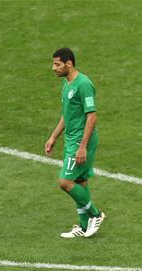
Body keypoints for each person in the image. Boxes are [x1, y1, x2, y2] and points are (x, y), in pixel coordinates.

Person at [45, 48, 106, 238]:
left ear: (68, 64)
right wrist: (54, 136)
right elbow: (67, 115)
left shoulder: (84, 84)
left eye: (57, 64)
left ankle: (96, 214)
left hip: (81, 141)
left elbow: (92, 117)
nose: (53, 68)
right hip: (71, 140)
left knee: (65, 182)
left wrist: (82, 146)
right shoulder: (67, 84)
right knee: (80, 181)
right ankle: (83, 225)